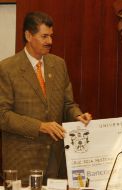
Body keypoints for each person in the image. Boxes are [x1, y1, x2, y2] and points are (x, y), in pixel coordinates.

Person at [0, 11, 92, 185]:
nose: (50, 41)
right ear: (28, 35)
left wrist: (77, 115)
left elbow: (67, 103)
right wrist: (40, 127)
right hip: (23, 161)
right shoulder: (7, 68)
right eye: (44, 36)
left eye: (51, 36)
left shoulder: (58, 64)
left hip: (56, 159)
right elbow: (3, 115)